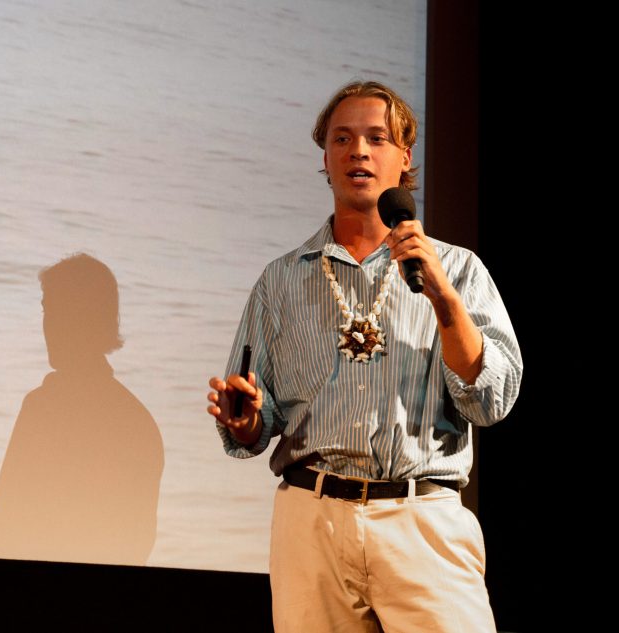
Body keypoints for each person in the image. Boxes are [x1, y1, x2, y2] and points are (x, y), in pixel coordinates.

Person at [206, 80, 522, 631]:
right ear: (325, 159)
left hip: (421, 519)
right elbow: (256, 425)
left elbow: (492, 399)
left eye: (377, 138)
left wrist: (445, 301)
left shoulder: (460, 271)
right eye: (342, 139)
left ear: (404, 159)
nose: (359, 151)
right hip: (312, 520)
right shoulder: (281, 280)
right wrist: (249, 419)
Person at [0, 253, 164, 566]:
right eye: (47, 310)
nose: (50, 325)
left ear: (87, 321)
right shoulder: (138, 420)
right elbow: (137, 545)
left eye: (59, 311)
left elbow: (8, 528)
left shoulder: (45, 407)